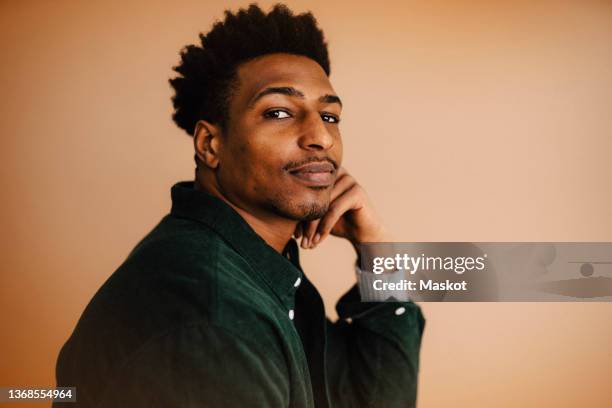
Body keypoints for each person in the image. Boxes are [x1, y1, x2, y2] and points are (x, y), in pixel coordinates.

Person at [54, 4, 425, 407]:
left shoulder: (258, 273)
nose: (320, 136)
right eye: (279, 112)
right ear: (210, 145)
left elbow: (373, 400)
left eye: (330, 116)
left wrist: (379, 251)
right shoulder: (213, 314)